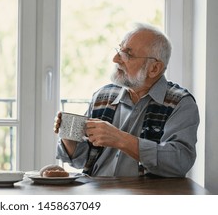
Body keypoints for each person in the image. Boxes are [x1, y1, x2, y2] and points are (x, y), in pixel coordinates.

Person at [54, 23, 200, 177]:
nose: (115, 59)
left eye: (127, 54)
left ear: (154, 68)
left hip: (146, 196)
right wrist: (68, 137)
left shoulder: (181, 103)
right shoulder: (103, 95)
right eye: (119, 50)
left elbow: (179, 162)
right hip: (97, 190)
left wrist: (120, 139)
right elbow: (83, 161)